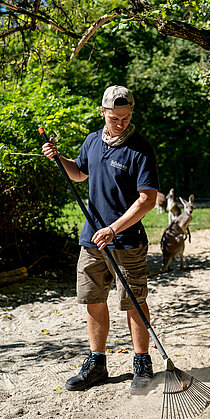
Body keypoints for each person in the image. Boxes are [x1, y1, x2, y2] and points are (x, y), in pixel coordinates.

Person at [42, 85, 159, 394]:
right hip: (93, 238)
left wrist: (114, 229)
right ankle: (97, 364)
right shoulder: (93, 141)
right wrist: (59, 158)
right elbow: (79, 173)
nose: (121, 123)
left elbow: (147, 200)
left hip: (126, 240)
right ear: (103, 112)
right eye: (115, 117)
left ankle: (142, 363)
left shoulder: (140, 149)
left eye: (127, 117)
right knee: (93, 299)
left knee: (133, 301)